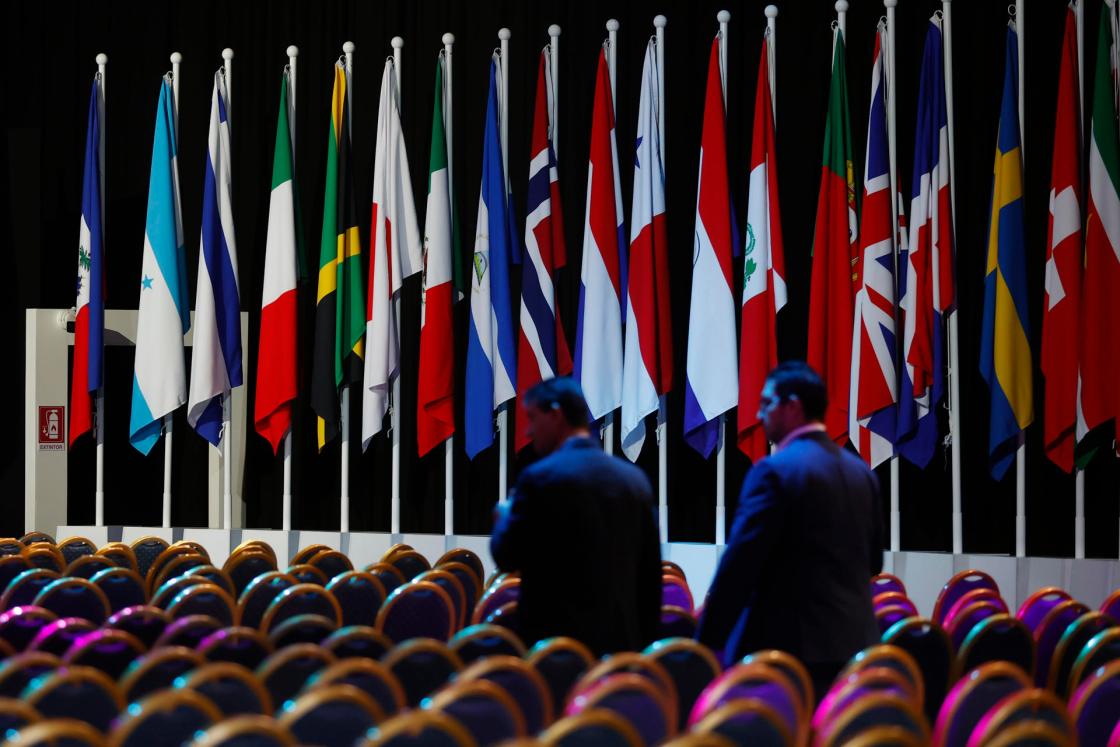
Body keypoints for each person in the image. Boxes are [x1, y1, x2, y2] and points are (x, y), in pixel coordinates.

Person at [696, 361, 884, 699]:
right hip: (855, 650)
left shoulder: (774, 471)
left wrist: (708, 643)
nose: (758, 413)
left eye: (766, 403)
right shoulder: (862, 474)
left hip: (787, 655)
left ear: (793, 405)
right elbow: (874, 563)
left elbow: (739, 566)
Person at [490, 377, 661, 656]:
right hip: (620, 651)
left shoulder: (540, 479)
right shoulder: (634, 481)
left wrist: (502, 520)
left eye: (532, 418)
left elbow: (507, 556)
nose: (528, 432)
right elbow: (650, 577)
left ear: (555, 414)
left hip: (556, 653)